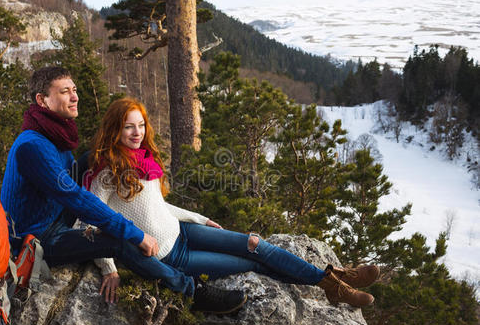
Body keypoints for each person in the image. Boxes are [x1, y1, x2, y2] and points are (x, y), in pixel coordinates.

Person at [84, 97, 380, 308]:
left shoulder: (146, 162)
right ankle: (332, 284)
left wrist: (198, 218)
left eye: (140, 125)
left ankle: (337, 279)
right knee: (250, 264)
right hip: (172, 257)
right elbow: (89, 221)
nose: (137, 133)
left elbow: (156, 208)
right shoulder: (108, 172)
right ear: (115, 130)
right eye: (128, 127)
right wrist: (108, 268)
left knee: (255, 243)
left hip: (183, 231)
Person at [0, 66, 246, 313]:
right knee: (121, 242)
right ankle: (191, 291)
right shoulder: (33, 146)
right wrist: (134, 234)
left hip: (55, 217)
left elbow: (73, 182)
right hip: (39, 240)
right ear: (42, 100)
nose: (75, 97)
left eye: (74, 90)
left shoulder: (54, 134)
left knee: (90, 159)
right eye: (65, 92)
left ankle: (119, 209)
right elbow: (75, 197)